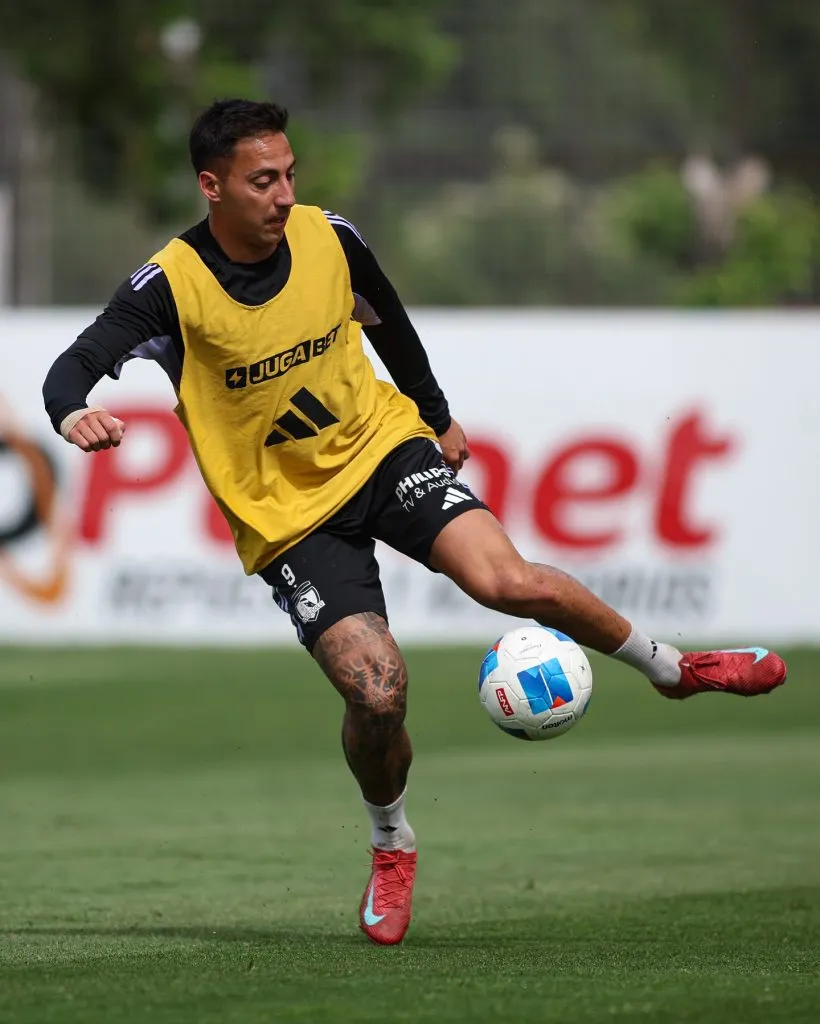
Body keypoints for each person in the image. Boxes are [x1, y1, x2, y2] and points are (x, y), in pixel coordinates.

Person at [42, 99, 787, 946]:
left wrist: (436, 414)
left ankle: (674, 669)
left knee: (506, 580)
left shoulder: (331, 236)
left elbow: (388, 317)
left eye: (289, 174)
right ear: (211, 187)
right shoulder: (171, 285)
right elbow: (75, 365)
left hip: (383, 447)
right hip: (289, 517)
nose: (285, 195)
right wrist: (73, 415)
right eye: (263, 181)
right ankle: (392, 843)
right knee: (377, 690)